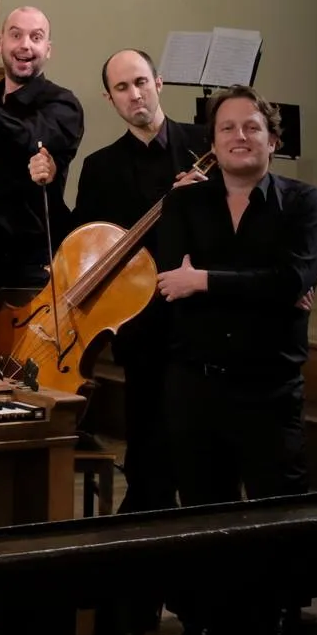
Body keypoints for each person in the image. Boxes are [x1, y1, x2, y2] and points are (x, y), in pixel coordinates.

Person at [155, 85, 317, 506]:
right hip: (196, 389)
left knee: (282, 514)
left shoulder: (308, 204)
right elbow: (171, 285)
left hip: (269, 390)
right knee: (203, 517)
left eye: (252, 127)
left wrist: (203, 281)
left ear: (272, 140)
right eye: (227, 127)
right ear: (213, 143)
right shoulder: (183, 204)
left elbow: (290, 281)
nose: (240, 136)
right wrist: (266, 287)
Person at [73, 49, 210, 513]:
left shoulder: (205, 143)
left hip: (203, 314)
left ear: (159, 82)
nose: (136, 95)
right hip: (142, 320)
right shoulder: (100, 167)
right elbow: (87, 245)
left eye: (141, 82)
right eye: (122, 88)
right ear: (109, 99)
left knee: (200, 436)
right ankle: (146, 522)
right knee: (146, 428)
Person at [0, 6, 84, 304]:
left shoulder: (63, 105)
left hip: (27, 269)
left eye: (36, 37)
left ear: (47, 50)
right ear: (0, 44)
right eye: (16, 35)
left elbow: (24, 139)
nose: (25, 45)